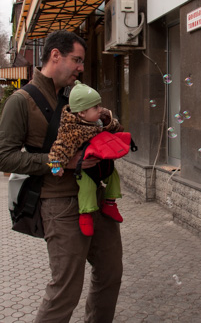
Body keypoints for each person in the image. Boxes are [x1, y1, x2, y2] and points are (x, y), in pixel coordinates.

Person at [0, 30, 122, 322]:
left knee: (110, 273)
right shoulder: (20, 101)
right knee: (66, 289)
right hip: (59, 205)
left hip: (96, 195)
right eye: (76, 60)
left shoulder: (76, 95)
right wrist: (60, 161)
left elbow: (104, 132)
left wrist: (107, 120)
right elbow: (4, 156)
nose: (81, 67)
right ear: (55, 56)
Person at [48, 80, 124, 237]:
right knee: (87, 189)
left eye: (99, 105)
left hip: (103, 164)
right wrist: (56, 165)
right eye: (95, 107)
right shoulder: (71, 131)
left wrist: (108, 120)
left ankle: (110, 204)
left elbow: (118, 129)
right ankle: (86, 215)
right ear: (82, 113)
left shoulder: (97, 121)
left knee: (114, 177)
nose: (100, 109)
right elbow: (58, 149)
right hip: (87, 170)